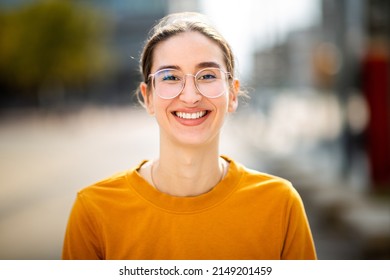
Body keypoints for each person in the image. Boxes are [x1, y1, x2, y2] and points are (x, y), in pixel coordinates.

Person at [62, 12, 317, 260]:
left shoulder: (280, 204)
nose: (191, 96)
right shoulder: (94, 210)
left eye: (207, 76)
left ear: (233, 94)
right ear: (148, 97)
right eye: (171, 77)